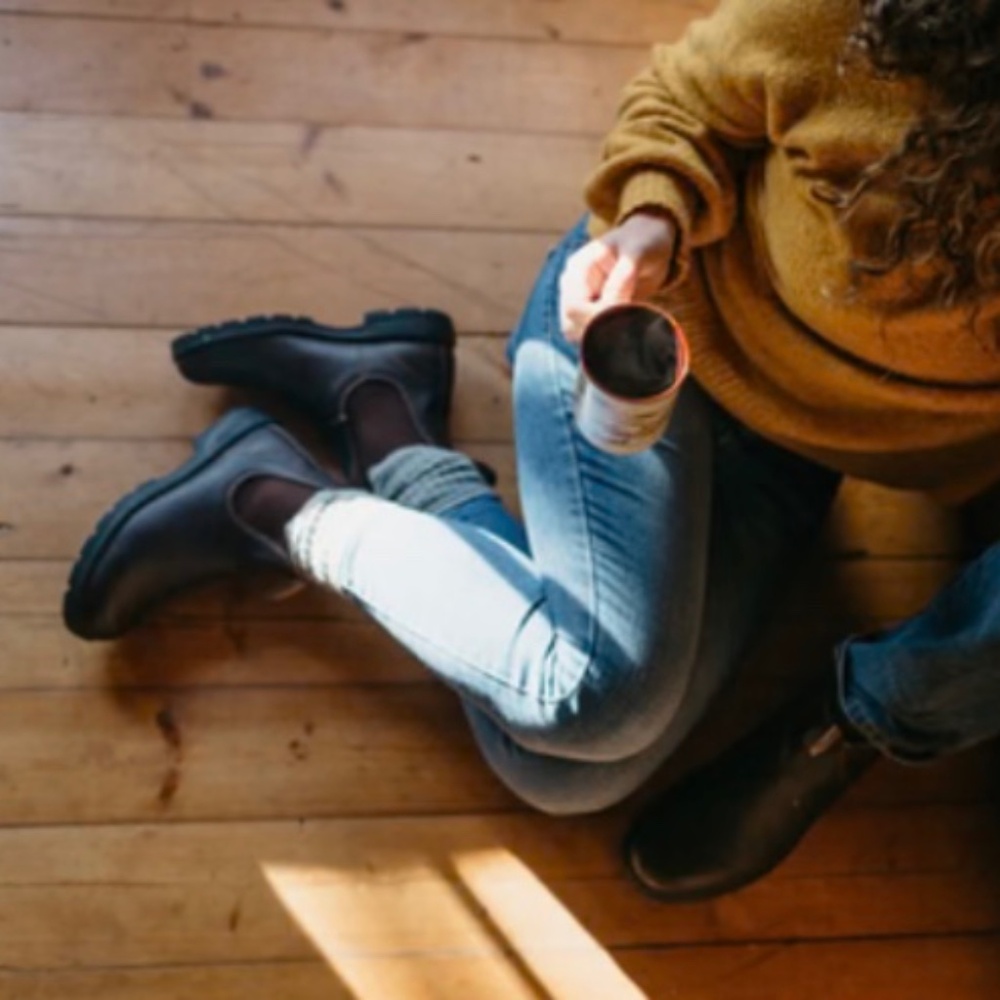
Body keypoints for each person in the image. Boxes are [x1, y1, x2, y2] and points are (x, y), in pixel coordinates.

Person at [64, 0, 1000, 903]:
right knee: (589, 701)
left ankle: (382, 405)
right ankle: (272, 504)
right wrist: (648, 222)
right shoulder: (869, 21)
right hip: (663, 337)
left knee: (563, 774)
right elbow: (684, 101)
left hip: (802, 459)